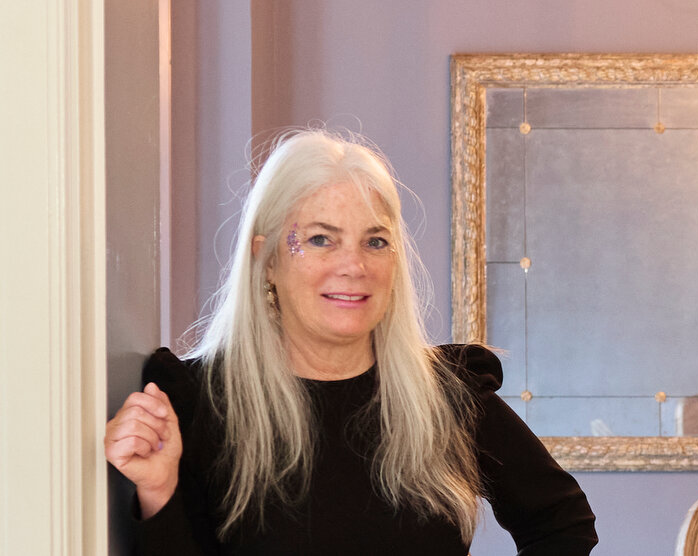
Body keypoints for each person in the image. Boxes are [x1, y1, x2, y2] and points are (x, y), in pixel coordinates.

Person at [104, 130, 597, 555]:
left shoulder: (447, 396)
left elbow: (563, 523)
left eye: (375, 241)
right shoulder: (194, 402)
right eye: (320, 239)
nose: (354, 266)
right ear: (267, 259)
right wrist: (159, 489)